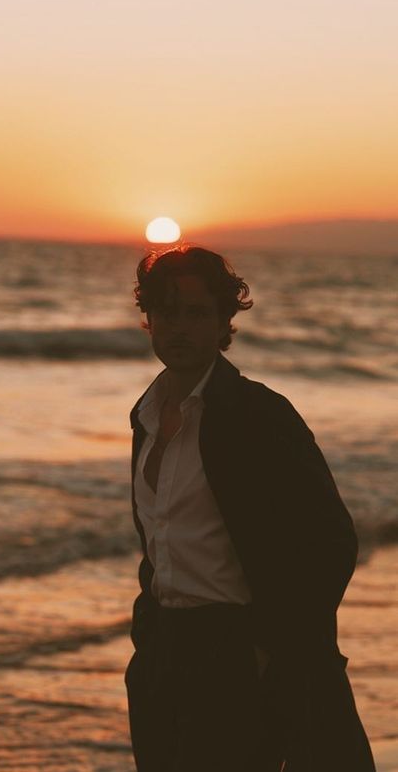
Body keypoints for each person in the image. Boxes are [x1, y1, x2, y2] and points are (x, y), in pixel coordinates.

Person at [124, 244, 376, 772]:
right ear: (148, 319)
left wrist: (268, 647)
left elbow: (332, 542)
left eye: (197, 313)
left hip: (235, 652)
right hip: (161, 658)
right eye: (167, 311)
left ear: (223, 323)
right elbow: (162, 542)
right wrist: (146, 640)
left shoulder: (258, 415)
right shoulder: (145, 416)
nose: (181, 327)